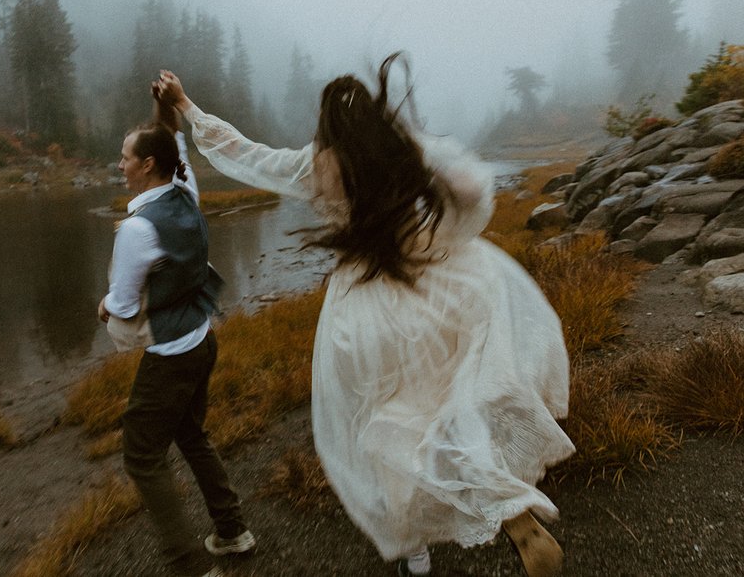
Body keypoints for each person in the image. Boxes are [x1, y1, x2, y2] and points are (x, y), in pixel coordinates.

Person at [155, 57, 574, 577]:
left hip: (366, 314)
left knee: (388, 422)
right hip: (441, 288)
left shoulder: (315, 166)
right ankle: (510, 507)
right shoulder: (405, 151)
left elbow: (243, 153)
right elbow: (471, 193)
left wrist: (186, 106)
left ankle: (414, 553)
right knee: (452, 402)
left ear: (325, 123)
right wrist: (445, 237)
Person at [97, 88, 255, 577]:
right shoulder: (185, 191)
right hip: (202, 339)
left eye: (124, 158)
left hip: (170, 355)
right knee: (188, 433)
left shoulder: (138, 229)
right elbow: (169, 137)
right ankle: (231, 531)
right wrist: (165, 104)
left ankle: (189, 566)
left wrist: (102, 306)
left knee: (141, 455)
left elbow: (121, 306)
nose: (118, 165)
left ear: (146, 165)